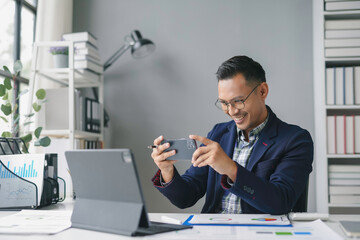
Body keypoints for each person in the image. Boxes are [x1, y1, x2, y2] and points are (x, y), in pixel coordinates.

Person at [150, 55, 313, 214]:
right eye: (224, 103)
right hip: (213, 232)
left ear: (262, 92)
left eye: (238, 101)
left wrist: (230, 169)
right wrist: (167, 170)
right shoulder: (218, 133)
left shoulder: (295, 140)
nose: (232, 111)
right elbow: (186, 198)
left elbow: (281, 202)